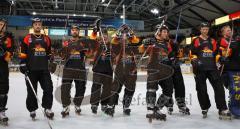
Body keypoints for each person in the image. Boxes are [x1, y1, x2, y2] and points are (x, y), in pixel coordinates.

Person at [190, 22, 231, 119]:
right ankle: (205, 107)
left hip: (212, 68)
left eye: (206, 29)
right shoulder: (195, 40)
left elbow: (216, 53)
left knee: (219, 88)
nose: (205, 30)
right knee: (201, 89)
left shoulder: (213, 41)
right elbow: (192, 53)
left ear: (208, 30)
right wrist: (194, 60)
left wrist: (220, 58)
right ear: (200, 29)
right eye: (203, 29)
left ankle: (222, 108)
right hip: (200, 69)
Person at [19, 18, 54, 120]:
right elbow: (23, 53)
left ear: (41, 26)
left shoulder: (47, 38)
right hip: (31, 70)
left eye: (39, 24)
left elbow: (48, 52)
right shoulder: (27, 38)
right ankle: (32, 109)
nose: (38, 26)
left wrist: (51, 57)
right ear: (33, 26)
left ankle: (47, 108)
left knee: (48, 89)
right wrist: (22, 64)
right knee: (31, 91)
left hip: (44, 70)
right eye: (36, 24)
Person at [140, 25, 174, 120]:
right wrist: (144, 44)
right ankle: (150, 108)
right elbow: (141, 50)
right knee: (151, 88)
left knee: (169, 91)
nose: (166, 34)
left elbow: (171, 55)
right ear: (158, 32)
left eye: (166, 32)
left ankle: (157, 108)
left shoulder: (167, 44)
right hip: (153, 69)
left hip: (165, 70)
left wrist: (172, 59)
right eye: (164, 32)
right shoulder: (151, 42)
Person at [105, 24, 140, 116]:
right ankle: (111, 106)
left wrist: (131, 33)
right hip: (120, 70)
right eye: (122, 35)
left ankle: (126, 106)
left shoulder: (133, 44)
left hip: (131, 70)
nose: (124, 37)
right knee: (115, 88)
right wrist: (119, 32)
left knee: (130, 89)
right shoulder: (116, 45)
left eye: (126, 35)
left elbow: (136, 41)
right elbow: (113, 41)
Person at [60, 25, 95, 117]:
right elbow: (62, 56)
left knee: (80, 89)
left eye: (76, 30)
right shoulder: (66, 42)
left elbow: (89, 54)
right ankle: (66, 106)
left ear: (79, 32)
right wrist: (63, 48)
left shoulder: (83, 42)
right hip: (68, 69)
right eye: (73, 30)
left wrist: (88, 49)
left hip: (80, 69)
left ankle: (77, 104)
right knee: (65, 89)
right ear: (71, 32)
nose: (74, 31)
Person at [89, 24, 113, 114]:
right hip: (98, 69)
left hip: (109, 70)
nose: (105, 37)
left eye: (106, 35)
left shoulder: (111, 45)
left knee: (107, 88)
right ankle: (94, 104)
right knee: (96, 87)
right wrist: (95, 31)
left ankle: (104, 104)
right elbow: (91, 39)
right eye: (103, 35)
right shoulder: (96, 44)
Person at [218, 25, 240, 117]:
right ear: (223, 33)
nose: (229, 31)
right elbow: (217, 54)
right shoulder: (221, 41)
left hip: (238, 67)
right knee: (236, 89)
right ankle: (234, 109)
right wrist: (220, 58)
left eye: (230, 30)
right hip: (230, 69)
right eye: (227, 30)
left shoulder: (236, 40)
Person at [167, 36, 190, 115]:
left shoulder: (172, 42)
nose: (165, 34)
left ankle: (181, 104)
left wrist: (176, 47)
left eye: (166, 32)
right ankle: (169, 104)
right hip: (166, 67)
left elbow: (178, 54)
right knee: (168, 87)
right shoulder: (158, 42)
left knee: (180, 86)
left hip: (175, 67)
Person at [0, 18, 14, 124]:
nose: (1, 26)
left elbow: (10, 56)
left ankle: (2, 111)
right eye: (0, 24)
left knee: (3, 89)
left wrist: (4, 53)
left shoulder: (8, 38)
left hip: (3, 67)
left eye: (3, 24)